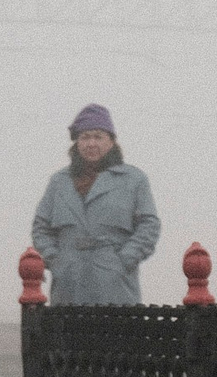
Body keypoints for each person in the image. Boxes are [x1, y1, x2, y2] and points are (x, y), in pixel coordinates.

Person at [30, 104, 163, 305]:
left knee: (114, 336)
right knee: (67, 337)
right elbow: (41, 227)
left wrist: (123, 261)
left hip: (115, 289)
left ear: (111, 141)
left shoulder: (134, 180)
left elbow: (149, 226)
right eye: (85, 137)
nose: (91, 143)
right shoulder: (59, 182)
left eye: (98, 136)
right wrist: (56, 261)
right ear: (76, 143)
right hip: (68, 288)